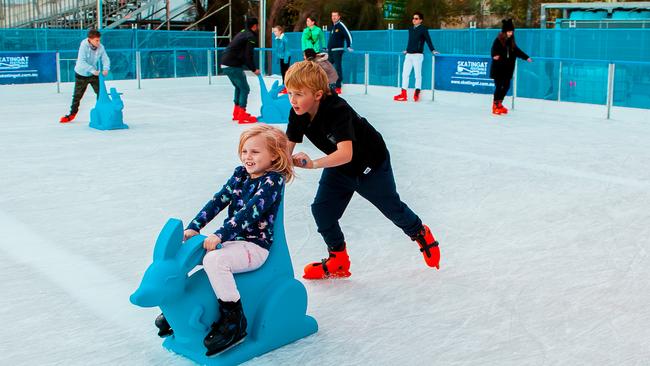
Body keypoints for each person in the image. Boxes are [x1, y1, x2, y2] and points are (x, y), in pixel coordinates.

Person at [284, 61, 441, 280]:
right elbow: (287, 148)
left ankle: (420, 232)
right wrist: (271, 166)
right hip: (340, 168)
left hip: (371, 166)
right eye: (290, 92)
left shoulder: (338, 110)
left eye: (299, 94)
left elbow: (346, 153)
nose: (293, 100)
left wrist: (313, 164)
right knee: (322, 211)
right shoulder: (297, 112)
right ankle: (338, 259)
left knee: (393, 210)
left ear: (318, 94)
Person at [154, 124, 294, 357]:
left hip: (254, 246)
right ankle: (178, 310)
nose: (248, 157)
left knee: (215, 261)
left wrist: (220, 235)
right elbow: (218, 201)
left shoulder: (272, 182)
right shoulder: (240, 174)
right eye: (245, 151)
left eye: (255, 152)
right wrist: (194, 227)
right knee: (193, 252)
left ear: (274, 156)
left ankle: (234, 320)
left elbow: (249, 213)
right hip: (232, 241)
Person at [59, 29, 110, 123]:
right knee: (77, 96)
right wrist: (92, 70)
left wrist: (106, 68)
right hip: (81, 74)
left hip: (93, 74)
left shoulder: (101, 47)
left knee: (101, 93)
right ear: (90, 39)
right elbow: (81, 62)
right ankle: (72, 114)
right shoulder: (83, 46)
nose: (98, 42)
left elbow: (105, 58)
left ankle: (101, 111)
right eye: (96, 40)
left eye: (99, 40)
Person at [221, 17, 261, 124]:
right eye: (257, 25)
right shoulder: (250, 36)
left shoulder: (243, 32)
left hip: (225, 63)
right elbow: (248, 55)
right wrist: (254, 69)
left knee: (239, 87)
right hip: (232, 65)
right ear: (254, 26)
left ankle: (237, 112)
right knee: (245, 88)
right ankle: (242, 115)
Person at [393, 12, 439, 102]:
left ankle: (417, 92)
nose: (414, 20)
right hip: (408, 55)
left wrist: (433, 50)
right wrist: (407, 49)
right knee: (405, 74)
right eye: (413, 18)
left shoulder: (423, 29)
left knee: (417, 75)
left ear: (421, 20)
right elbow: (410, 41)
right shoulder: (410, 28)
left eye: (416, 18)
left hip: (418, 55)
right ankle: (403, 94)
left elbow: (428, 40)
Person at [490, 19, 532, 115]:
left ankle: (499, 103)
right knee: (499, 86)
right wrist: (494, 55)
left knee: (506, 86)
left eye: (512, 32)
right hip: (498, 68)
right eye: (509, 32)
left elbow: (517, 51)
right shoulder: (498, 40)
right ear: (505, 32)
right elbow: (493, 49)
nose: (510, 33)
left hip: (508, 69)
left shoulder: (511, 42)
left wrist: (526, 57)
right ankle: (495, 105)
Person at [327, 11, 353, 95]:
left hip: (338, 50)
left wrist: (348, 45)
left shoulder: (341, 25)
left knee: (338, 67)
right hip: (331, 51)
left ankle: (338, 86)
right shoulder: (333, 27)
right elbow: (331, 39)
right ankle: (327, 84)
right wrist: (328, 48)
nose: (333, 17)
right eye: (332, 16)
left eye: (335, 16)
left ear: (339, 17)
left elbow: (348, 35)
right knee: (326, 66)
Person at [272, 25, 291, 94]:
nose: (274, 32)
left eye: (275, 31)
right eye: (274, 31)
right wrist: (277, 58)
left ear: (280, 31)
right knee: (282, 73)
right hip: (281, 57)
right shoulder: (276, 39)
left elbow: (287, 50)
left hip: (286, 57)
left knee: (286, 73)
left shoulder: (285, 39)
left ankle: (287, 87)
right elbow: (277, 50)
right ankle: (284, 86)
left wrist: (285, 59)